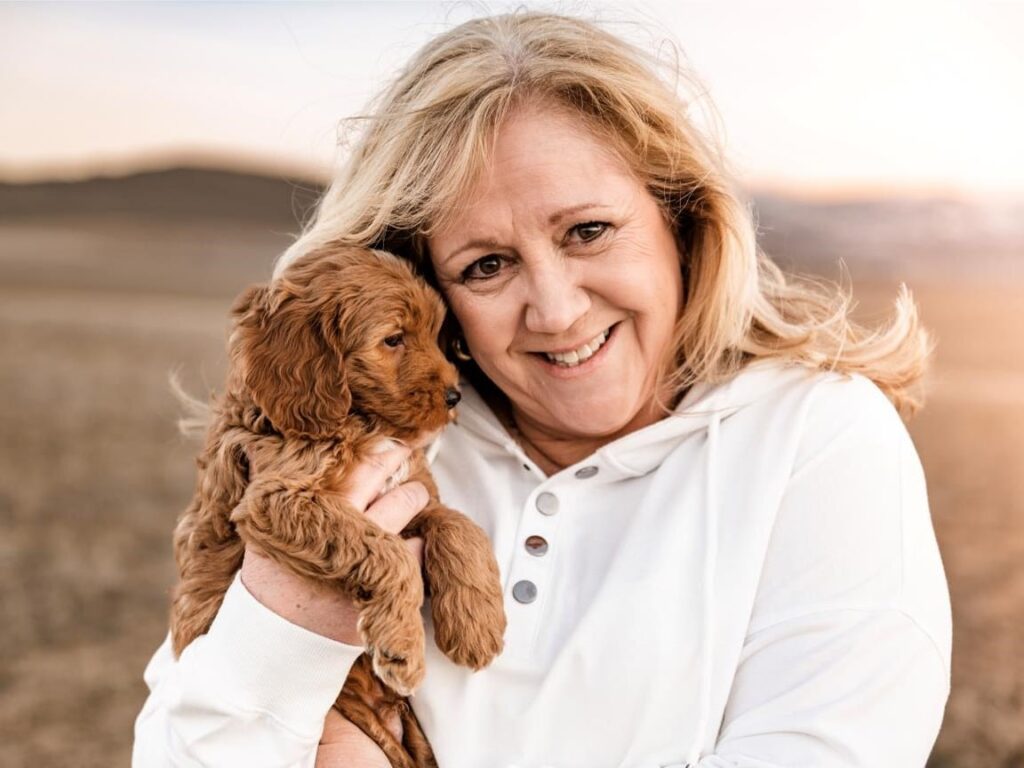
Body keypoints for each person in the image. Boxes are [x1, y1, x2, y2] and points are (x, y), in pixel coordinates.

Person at [133, 11, 951, 768]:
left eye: (588, 232)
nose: (556, 311)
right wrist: (287, 624)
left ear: (680, 218)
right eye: (486, 265)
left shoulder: (814, 435)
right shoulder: (375, 450)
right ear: (422, 286)